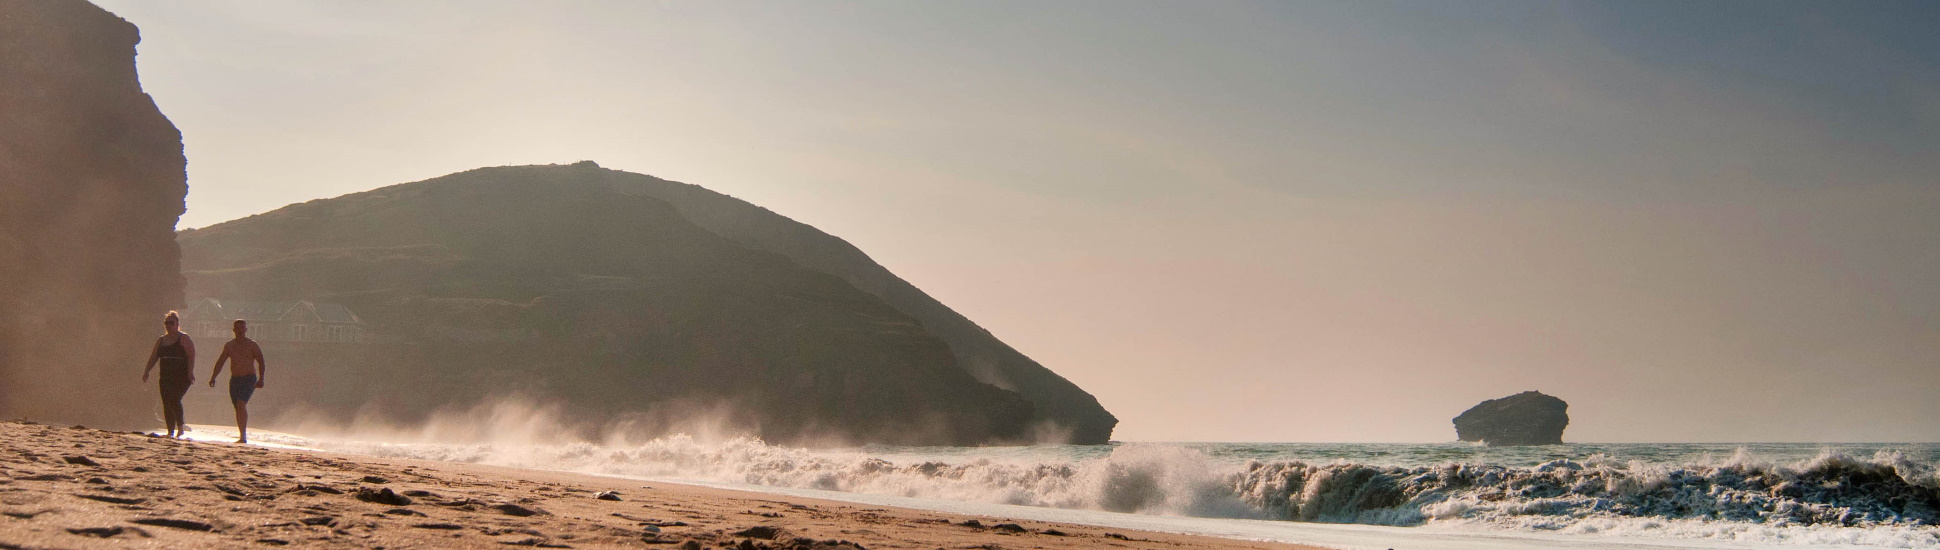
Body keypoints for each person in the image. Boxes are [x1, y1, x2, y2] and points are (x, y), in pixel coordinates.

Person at [209, 319, 267, 444]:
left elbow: (261, 361)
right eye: (237, 328)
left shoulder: (252, 345)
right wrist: (214, 376)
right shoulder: (229, 345)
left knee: (241, 404)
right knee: (238, 407)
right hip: (235, 379)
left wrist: (261, 378)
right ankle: (241, 434)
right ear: (234, 330)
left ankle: (243, 436)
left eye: (242, 328)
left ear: (246, 330)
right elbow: (221, 361)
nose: (240, 331)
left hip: (249, 378)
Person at [140, 311, 195, 438]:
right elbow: (154, 357)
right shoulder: (161, 340)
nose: (168, 325)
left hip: (182, 376)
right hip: (165, 376)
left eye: (171, 323)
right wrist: (147, 371)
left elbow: (191, 356)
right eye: (166, 323)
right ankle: (170, 431)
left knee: (175, 399)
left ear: (177, 324)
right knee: (166, 402)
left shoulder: (184, 338)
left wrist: (190, 372)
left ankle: (180, 427)